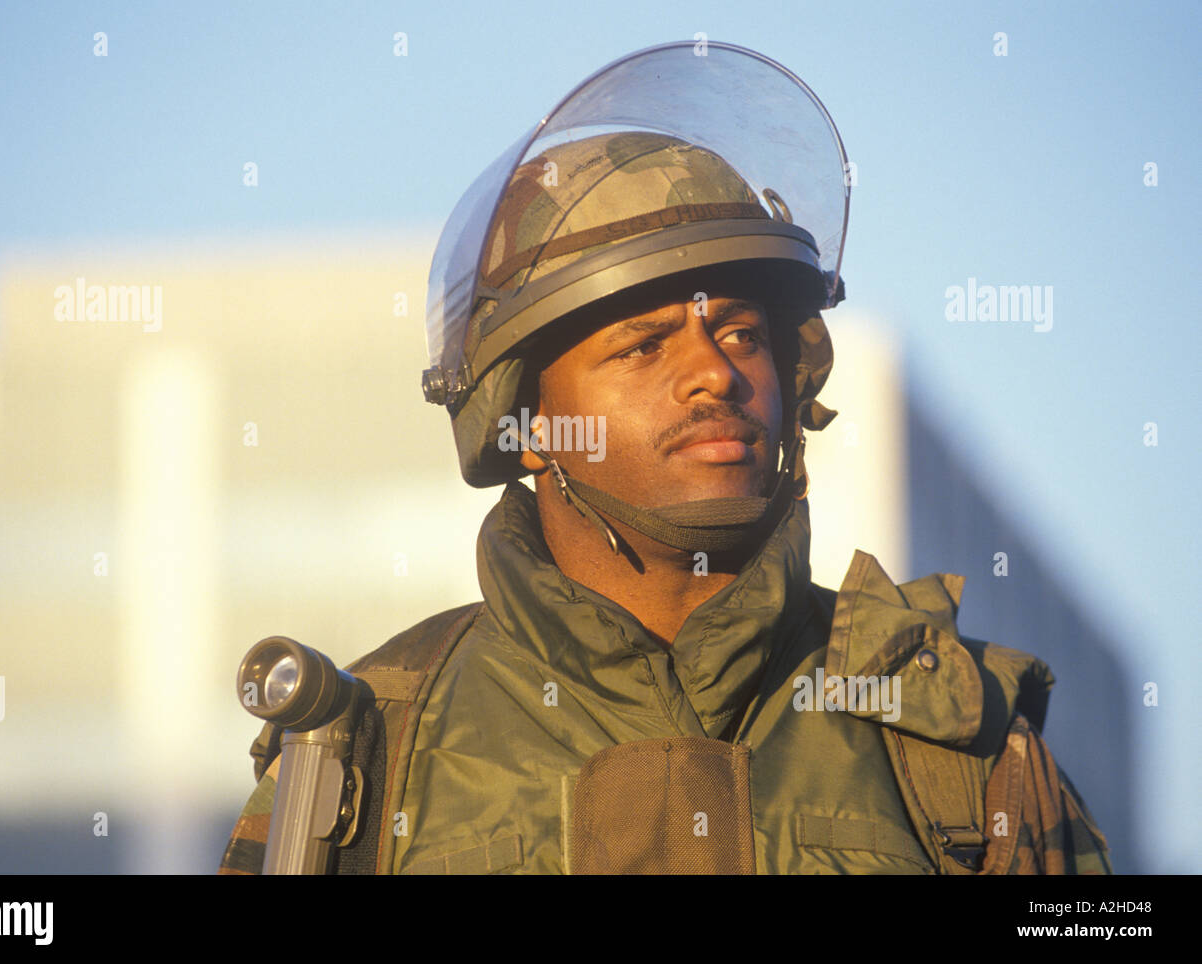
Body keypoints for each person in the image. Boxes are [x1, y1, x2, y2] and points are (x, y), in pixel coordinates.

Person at [219, 41, 1111, 875]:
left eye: (739, 331)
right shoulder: (366, 749)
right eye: (643, 344)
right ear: (526, 422)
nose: (715, 374)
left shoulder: (954, 741)